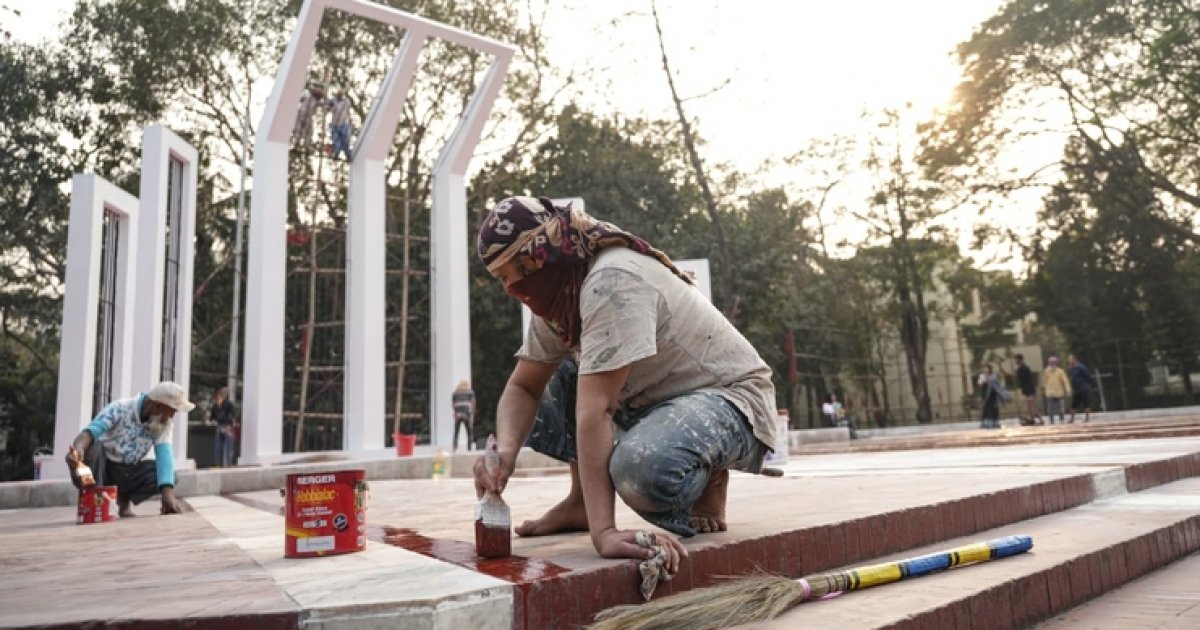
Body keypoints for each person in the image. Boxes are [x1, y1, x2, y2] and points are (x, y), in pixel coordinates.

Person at [473, 196, 780, 570]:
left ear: (537, 259)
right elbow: (524, 386)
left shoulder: (612, 282)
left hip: (729, 399)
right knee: (562, 371)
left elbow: (596, 409)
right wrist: (505, 451)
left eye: (508, 276)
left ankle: (709, 474)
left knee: (641, 473)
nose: (509, 289)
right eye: (500, 279)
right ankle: (580, 502)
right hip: (653, 403)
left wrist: (604, 533)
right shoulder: (561, 299)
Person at [63, 381, 195, 517]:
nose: (172, 416)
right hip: (102, 468)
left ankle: (123, 500)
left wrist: (167, 495)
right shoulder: (120, 408)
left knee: (169, 477)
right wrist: (78, 448)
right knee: (93, 448)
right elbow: (89, 433)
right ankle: (96, 503)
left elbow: (165, 455)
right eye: (172, 411)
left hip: (127, 471)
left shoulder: (164, 423)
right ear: (158, 406)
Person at [210, 385, 237, 467]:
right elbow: (212, 417)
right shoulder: (216, 405)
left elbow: (233, 415)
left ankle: (228, 464)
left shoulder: (229, 404)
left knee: (228, 447)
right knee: (218, 447)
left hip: (227, 426)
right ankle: (218, 464)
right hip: (220, 426)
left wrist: (229, 426)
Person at [1041, 356, 1071, 424]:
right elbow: (1044, 381)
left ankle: (1062, 420)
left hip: (1059, 393)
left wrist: (1068, 389)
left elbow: (1065, 381)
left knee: (1061, 408)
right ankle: (1051, 421)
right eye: (1050, 363)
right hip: (1050, 393)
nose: (1052, 364)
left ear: (1056, 363)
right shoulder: (1046, 371)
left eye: (1053, 363)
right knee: (1050, 409)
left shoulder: (1060, 371)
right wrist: (1043, 389)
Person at [1013, 354, 1041, 426]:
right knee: (1030, 406)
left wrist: (1003, 371)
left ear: (1020, 359)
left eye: (1016, 359)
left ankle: (1037, 419)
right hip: (1027, 390)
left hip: (1029, 390)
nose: (1015, 361)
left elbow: (1014, 375)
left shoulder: (1023, 368)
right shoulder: (1021, 368)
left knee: (1031, 406)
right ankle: (1033, 419)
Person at [977, 363, 1005, 429]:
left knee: (994, 407)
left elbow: (996, 383)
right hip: (985, 394)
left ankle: (995, 422)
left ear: (989, 369)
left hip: (993, 394)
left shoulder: (993, 375)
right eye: (984, 368)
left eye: (986, 368)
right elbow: (980, 384)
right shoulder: (982, 376)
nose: (985, 370)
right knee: (986, 408)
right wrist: (986, 380)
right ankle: (986, 423)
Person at [327, 89, 353, 160]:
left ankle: (348, 155)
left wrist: (350, 120)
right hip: (335, 124)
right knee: (336, 140)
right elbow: (328, 108)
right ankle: (336, 153)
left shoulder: (346, 101)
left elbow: (348, 110)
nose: (340, 96)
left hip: (344, 124)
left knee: (345, 141)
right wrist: (329, 105)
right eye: (339, 95)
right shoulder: (333, 101)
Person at [1068, 353, 1093, 423]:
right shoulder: (1071, 368)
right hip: (1077, 389)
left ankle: (1087, 418)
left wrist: (1087, 384)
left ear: (1074, 359)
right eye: (1069, 359)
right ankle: (1072, 419)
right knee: (1074, 404)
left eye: (1070, 359)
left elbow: (1088, 376)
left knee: (1086, 403)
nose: (1069, 361)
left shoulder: (1081, 367)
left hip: (1084, 387)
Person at [452, 380, 476, 452]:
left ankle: (455, 447)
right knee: (469, 431)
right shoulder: (470, 392)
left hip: (458, 414)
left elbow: (453, 404)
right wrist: (472, 413)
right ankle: (469, 448)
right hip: (466, 413)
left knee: (456, 431)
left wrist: (455, 412)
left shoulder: (455, 393)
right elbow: (473, 403)